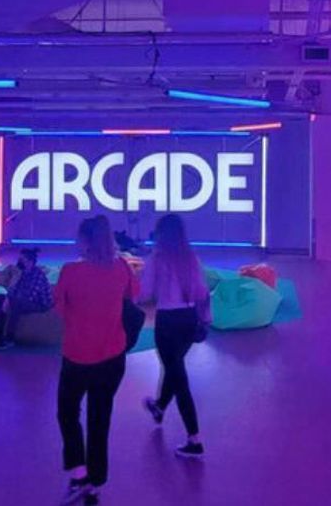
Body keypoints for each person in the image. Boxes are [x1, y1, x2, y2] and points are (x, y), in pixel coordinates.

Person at [54, 215, 136, 505]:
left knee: (67, 413)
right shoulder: (123, 267)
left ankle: (79, 473)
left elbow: (59, 309)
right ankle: (97, 482)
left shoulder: (70, 272)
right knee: (100, 419)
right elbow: (132, 296)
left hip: (77, 357)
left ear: (85, 240)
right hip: (113, 357)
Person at [137, 214, 210, 459]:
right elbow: (202, 291)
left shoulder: (157, 259)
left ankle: (194, 438)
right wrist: (205, 319)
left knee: (178, 378)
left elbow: (144, 293)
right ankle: (159, 408)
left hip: (167, 322)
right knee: (174, 368)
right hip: (189, 320)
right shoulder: (191, 257)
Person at [0, 248, 53, 350]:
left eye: (22, 260)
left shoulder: (37, 274)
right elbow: (14, 289)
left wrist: (10, 299)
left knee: (16, 303)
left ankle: (10, 339)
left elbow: (30, 296)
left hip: (40, 303)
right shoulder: (22, 273)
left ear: (30, 262)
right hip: (24, 299)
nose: (20, 262)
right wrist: (7, 298)